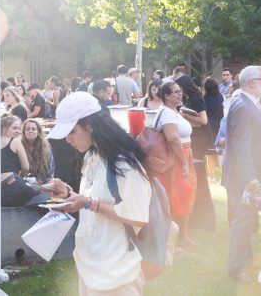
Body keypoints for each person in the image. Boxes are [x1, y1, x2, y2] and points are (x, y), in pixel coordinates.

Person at [47, 92, 151, 295]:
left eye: (72, 131)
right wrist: (68, 193)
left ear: (90, 126)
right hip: (91, 262)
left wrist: (88, 204)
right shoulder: (93, 156)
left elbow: (137, 217)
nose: (68, 139)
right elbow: (94, 198)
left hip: (118, 272)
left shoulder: (124, 163)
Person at [222, 65, 261, 284]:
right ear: (251, 82)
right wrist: (250, 177)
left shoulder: (246, 102)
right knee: (243, 221)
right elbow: (241, 145)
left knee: (247, 220)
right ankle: (236, 269)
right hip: (242, 178)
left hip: (244, 175)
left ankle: (246, 259)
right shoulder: (243, 105)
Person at [156, 82, 196, 248]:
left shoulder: (174, 111)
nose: (180, 94)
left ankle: (183, 235)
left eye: (181, 91)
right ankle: (170, 241)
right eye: (176, 92)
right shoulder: (166, 113)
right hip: (176, 158)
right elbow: (172, 138)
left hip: (184, 154)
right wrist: (184, 162)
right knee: (175, 197)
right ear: (166, 95)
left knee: (186, 194)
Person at [0, 115, 47, 206]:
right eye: (14, 128)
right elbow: (26, 168)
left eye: (19, 128)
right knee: (43, 196)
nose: (18, 131)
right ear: (5, 128)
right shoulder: (15, 141)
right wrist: (20, 177)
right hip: (12, 184)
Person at [21, 119, 54, 184]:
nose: (30, 131)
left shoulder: (45, 147)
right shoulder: (19, 146)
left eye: (33, 129)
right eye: (27, 129)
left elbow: (51, 169)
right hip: (23, 182)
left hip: (42, 182)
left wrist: (40, 180)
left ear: (38, 131)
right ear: (24, 132)